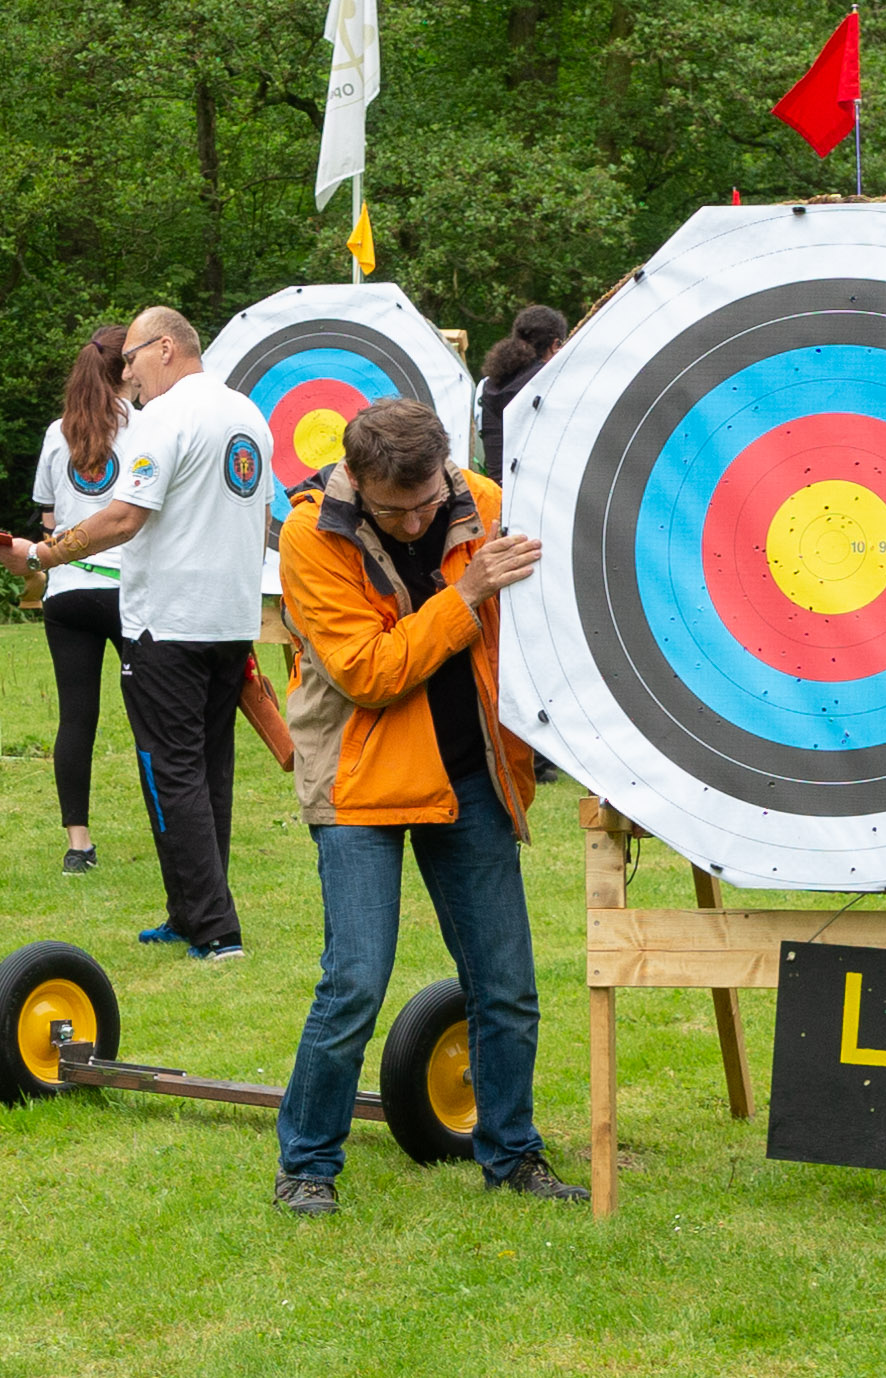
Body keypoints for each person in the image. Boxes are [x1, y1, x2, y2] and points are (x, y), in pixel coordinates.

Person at [270, 397, 584, 1215]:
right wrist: (466, 592)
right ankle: (306, 1165)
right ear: (355, 479)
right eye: (392, 511)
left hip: (468, 774)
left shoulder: (484, 502)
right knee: (354, 981)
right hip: (359, 779)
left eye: (426, 504)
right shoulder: (309, 533)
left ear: (445, 468)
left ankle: (512, 1155)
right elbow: (368, 672)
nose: (414, 523)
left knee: (506, 984)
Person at [0, 305, 271, 960]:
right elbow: (261, 521)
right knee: (209, 768)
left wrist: (43, 555)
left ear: (166, 348)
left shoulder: (165, 418)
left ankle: (216, 930)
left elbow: (122, 519)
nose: (127, 373)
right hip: (229, 621)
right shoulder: (249, 416)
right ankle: (190, 912)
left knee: (170, 769)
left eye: (132, 358)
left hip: (169, 626)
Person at [31, 326, 134, 874]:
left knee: (76, 719)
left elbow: (49, 521)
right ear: (126, 370)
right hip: (129, 589)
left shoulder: (58, 432)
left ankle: (78, 846)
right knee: (153, 717)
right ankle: (173, 829)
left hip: (68, 591)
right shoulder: (145, 426)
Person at [476, 304, 567, 472]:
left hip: (497, 484)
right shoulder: (549, 381)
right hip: (535, 482)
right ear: (555, 344)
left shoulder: (488, 384)